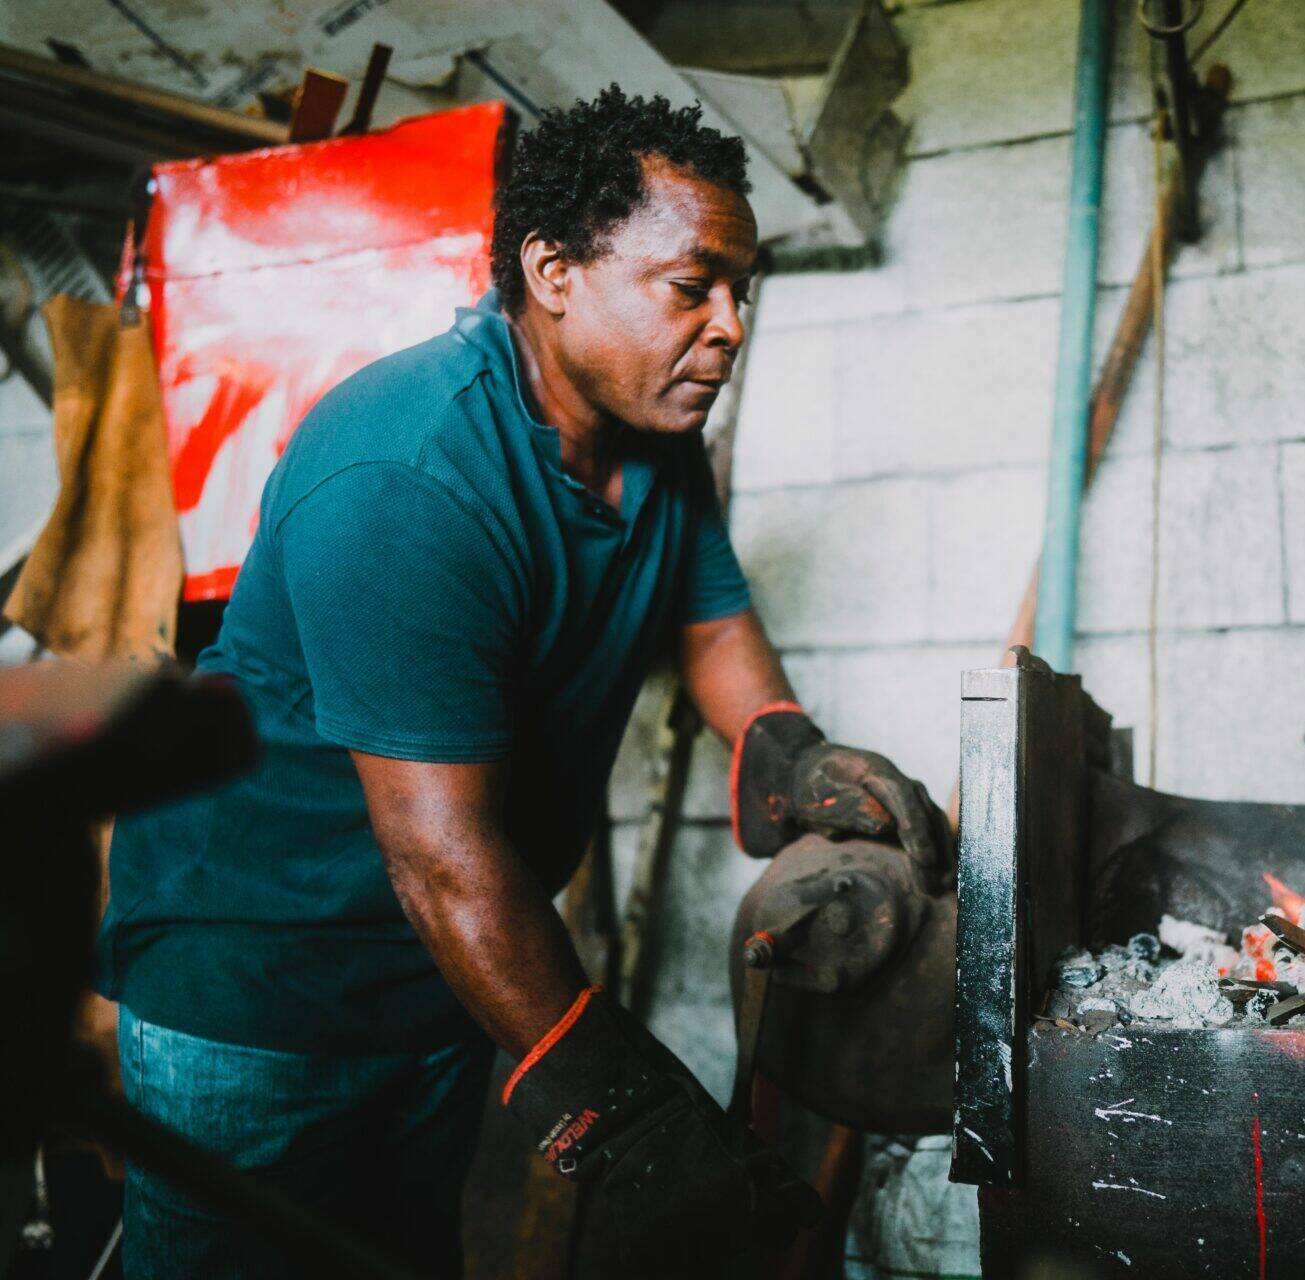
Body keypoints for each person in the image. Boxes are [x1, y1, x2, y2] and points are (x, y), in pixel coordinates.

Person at [92, 87, 950, 1278]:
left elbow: (708, 623)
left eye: (740, 290)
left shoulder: (653, 434)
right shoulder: (407, 468)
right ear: (553, 269)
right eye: (691, 284)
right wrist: (634, 1115)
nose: (731, 325)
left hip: (438, 982)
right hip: (264, 981)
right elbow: (444, 861)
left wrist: (789, 751)